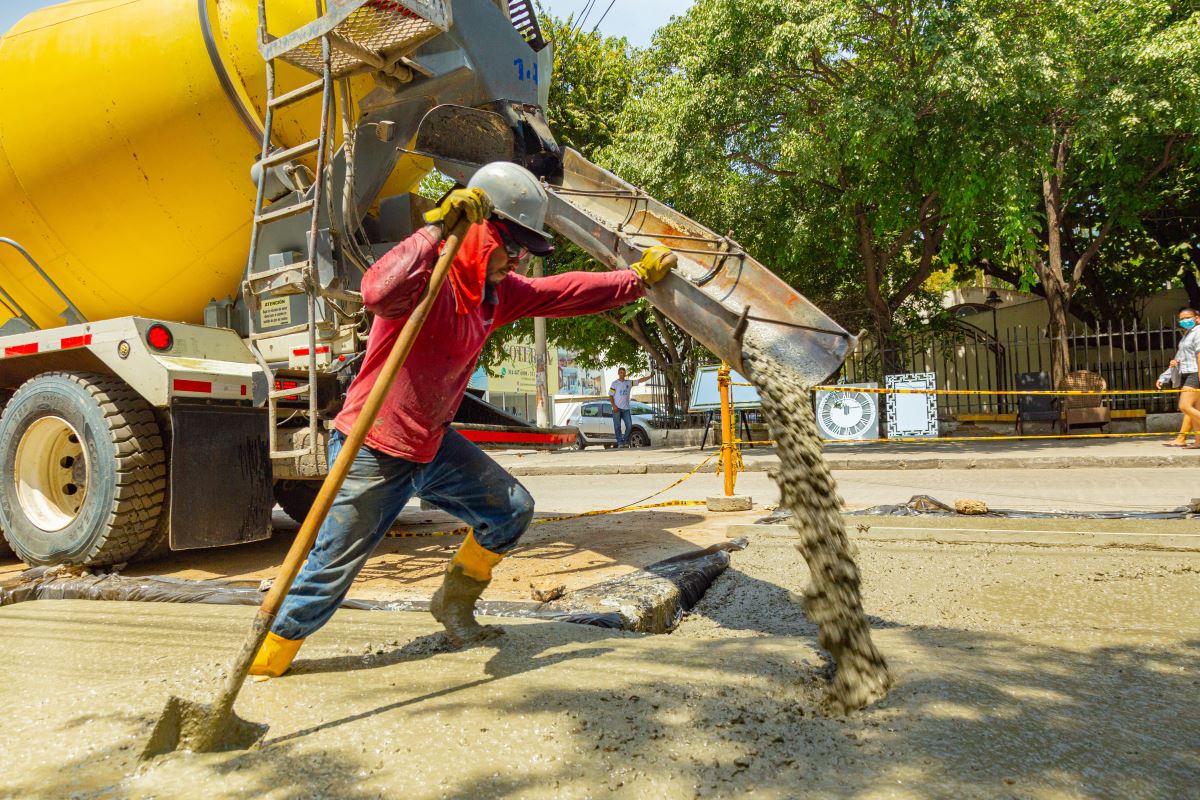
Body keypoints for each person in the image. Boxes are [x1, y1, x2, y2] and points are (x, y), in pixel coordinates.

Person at [250, 162, 677, 676]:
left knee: (511, 510)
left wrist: (633, 281)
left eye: (524, 249)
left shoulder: (496, 296)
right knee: (327, 571)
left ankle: (453, 604)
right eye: (511, 245)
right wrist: (435, 230)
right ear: (479, 233)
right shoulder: (426, 280)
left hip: (431, 445)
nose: (518, 258)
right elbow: (376, 293)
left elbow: (566, 292)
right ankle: (265, 662)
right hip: (373, 446)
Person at [1157, 307, 1200, 449]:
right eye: (1181, 319)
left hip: (1194, 372)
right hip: (1186, 372)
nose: (1184, 321)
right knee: (1193, 408)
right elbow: (1179, 359)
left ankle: (1184, 438)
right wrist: (1165, 376)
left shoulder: (1198, 332)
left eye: (1187, 317)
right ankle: (1198, 442)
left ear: (1197, 318)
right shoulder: (1186, 335)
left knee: (1184, 406)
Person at [608, 367, 650, 447]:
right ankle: (620, 443)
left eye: (623, 373)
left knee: (629, 425)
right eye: (620, 373)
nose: (622, 374)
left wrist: (650, 377)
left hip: (626, 408)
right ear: (618, 373)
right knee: (617, 426)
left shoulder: (629, 382)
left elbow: (639, 380)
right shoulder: (614, 383)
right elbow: (610, 396)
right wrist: (614, 406)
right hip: (617, 408)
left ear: (625, 374)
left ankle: (625, 440)